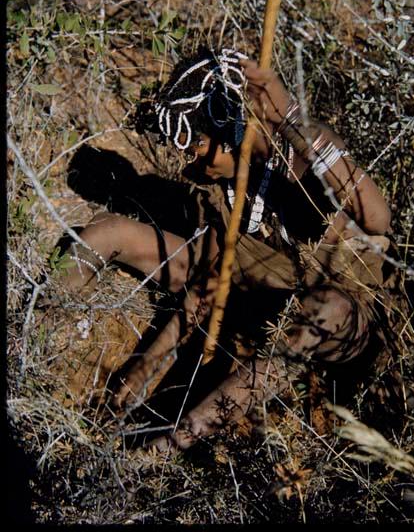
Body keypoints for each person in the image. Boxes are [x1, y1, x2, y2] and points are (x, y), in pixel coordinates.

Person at [60, 46, 392, 452]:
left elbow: (376, 218)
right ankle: (33, 349)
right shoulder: (225, 191)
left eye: (196, 144)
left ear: (232, 128)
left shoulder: (302, 159)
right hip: (257, 304)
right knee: (104, 231)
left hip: (339, 327)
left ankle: (165, 451)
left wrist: (284, 115)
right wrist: (143, 368)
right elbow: (209, 284)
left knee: (326, 308)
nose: (188, 161)